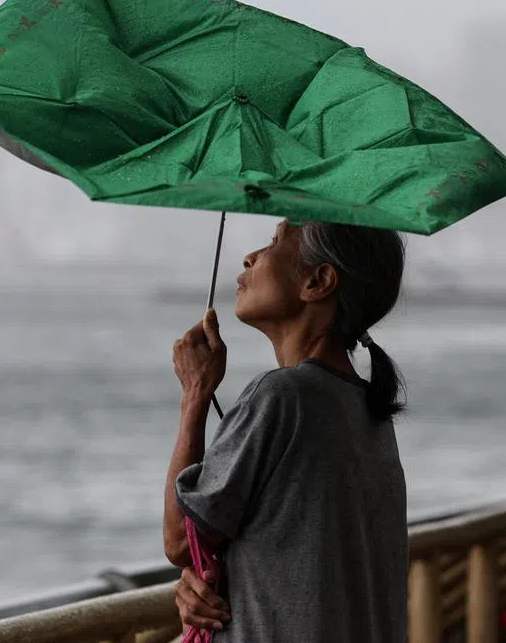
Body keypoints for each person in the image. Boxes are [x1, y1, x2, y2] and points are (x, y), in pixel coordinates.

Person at [163, 220, 408, 642]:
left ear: (318, 281)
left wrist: (195, 395)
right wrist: (212, 576)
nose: (249, 256)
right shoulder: (367, 409)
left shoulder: (282, 395)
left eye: (276, 242)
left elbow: (182, 542)